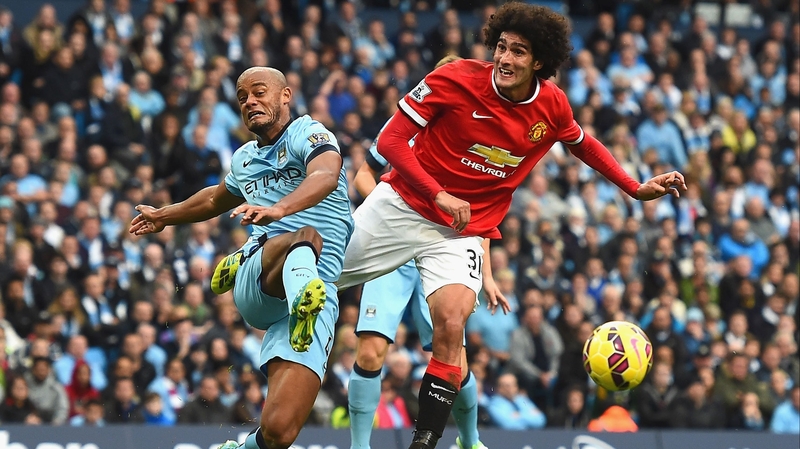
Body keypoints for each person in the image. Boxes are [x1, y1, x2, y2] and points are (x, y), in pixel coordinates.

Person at [337, 3, 686, 448]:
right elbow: (387, 143)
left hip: (458, 231)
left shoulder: (552, 106)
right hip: (402, 208)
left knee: (451, 331)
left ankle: (433, 442)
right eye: (501, 47)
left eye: (519, 52)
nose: (505, 58)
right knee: (324, 290)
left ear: (539, 61)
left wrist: (634, 187)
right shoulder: (455, 79)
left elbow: (584, 144)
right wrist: (438, 193)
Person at [130, 66, 353, 449]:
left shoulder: (310, 134)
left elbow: (326, 174)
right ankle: (258, 266)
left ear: (285, 95)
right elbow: (216, 198)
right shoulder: (244, 157)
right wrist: (163, 216)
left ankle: (237, 448)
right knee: (305, 237)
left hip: (317, 295)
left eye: (259, 92)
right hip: (263, 282)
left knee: (279, 432)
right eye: (242, 97)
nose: (250, 101)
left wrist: (280, 207)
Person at [348, 55, 496, 449]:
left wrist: (489, 273)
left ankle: (470, 440)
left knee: (454, 353)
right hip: (395, 243)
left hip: (444, 246)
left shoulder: (475, 136)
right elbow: (363, 173)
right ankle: (359, 446)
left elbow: (477, 213)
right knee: (370, 350)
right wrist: (394, 210)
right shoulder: (407, 122)